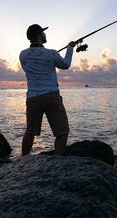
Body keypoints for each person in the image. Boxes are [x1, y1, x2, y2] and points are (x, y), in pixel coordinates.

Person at [19, 24, 78, 155]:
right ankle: (57, 162)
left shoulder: (22, 55)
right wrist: (70, 48)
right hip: (51, 96)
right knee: (62, 132)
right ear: (39, 36)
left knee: (30, 132)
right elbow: (65, 65)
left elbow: (28, 68)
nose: (45, 35)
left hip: (32, 98)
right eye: (43, 33)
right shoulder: (51, 53)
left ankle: (23, 161)